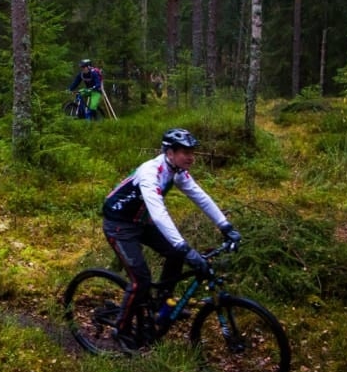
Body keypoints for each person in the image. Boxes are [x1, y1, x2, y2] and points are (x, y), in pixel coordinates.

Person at [101, 127, 242, 350]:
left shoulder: (176, 171)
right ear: (170, 153)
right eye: (185, 152)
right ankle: (121, 328)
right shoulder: (150, 172)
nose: (191, 157)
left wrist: (226, 226)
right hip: (119, 224)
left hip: (140, 222)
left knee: (175, 254)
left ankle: (162, 304)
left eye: (192, 152)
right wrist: (185, 247)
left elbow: (200, 197)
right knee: (141, 280)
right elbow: (158, 214)